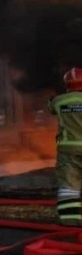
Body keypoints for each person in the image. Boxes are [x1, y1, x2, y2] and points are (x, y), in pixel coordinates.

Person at [48, 67, 82, 226]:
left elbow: (50, 108)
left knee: (69, 185)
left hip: (68, 150)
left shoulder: (59, 101)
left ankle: (71, 220)